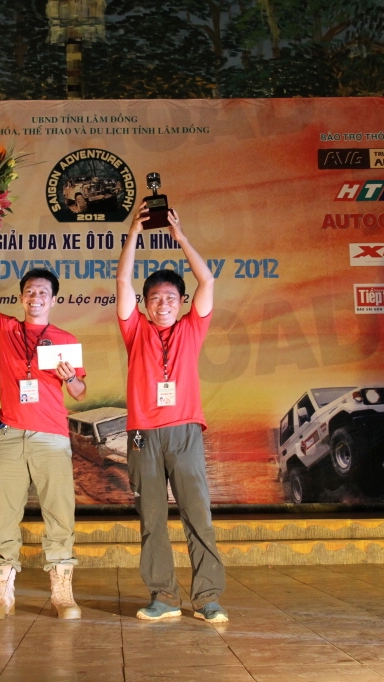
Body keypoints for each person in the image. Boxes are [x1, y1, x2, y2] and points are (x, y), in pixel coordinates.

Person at [0, 239, 87, 620]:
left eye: (43, 292)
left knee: (59, 513)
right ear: (21, 298)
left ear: (53, 300)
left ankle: (62, 592)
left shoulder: (65, 340)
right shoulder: (6, 328)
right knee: (1, 513)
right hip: (10, 435)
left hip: (52, 437)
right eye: (30, 292)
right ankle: (2, 593)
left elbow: (79, 391)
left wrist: (69, 378)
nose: (36, 297)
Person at [116, 202, 228, 623]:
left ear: (181, 302)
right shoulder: (134, 329)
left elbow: (207, 279)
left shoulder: (191, 328)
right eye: (155, 298)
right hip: (142, 433)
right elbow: (122, 279)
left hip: (184, 431)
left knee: (197, 514)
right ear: (144, 304)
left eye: (170, 297)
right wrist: (134, 232)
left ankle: (207, 598)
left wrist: (180, 238)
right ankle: (163, 595)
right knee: (152, 518)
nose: (162, 303)